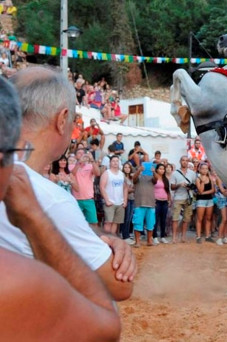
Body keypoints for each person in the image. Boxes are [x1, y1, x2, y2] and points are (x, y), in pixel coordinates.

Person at [0, 76, 121, 341]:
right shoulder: (47, 198)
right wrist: (35, 219)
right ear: (62, 119)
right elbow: (117, 292)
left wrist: (103, 238)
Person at [171, 155, 197, 243]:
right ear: (180, 161)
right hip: (178, 197)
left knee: (186, 218)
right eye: (183, 160)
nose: (185, 162)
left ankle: (183, 236)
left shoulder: (192, 173)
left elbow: (194, 186)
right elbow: (172, 187)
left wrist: (190, 187)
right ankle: (174, 237)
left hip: (189, 196)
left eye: (186, 160)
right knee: (175, 218)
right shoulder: (175, 173)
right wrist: (179, 185)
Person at [99, 155, 128, 235]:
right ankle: (106, 240)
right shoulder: (106, 173)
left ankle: (112, 240)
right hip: (110, 202)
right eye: (113, 161)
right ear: (110, 163)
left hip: (120, 202)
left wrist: (125, 201)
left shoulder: (122, 174)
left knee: (116, 223)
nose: (115, 163)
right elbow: (102, 187)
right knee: (108, 222)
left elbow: (125, 188)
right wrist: (107, 200)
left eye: (117, 161)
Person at [194, 163, 216, 243]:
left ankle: (207, 236)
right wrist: (202, 182)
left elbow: (213, 190)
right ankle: (198, 236)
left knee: (208, 218)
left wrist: (203, 193)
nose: (204, 170)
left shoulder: (210, 178)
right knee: (200, 218)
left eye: (206, 168)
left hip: (209, 200)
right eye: (203, 168)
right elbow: (199, 190)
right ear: (199, 169)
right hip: (201, 201)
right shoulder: (198, 179)